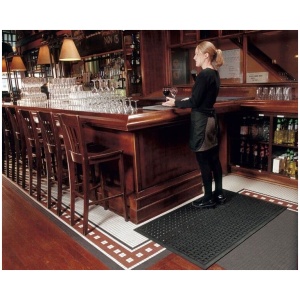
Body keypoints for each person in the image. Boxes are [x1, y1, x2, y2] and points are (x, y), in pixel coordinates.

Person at [162, 41, 226, 208]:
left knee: (203, 159)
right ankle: (219, 193)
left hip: (202, 122)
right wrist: (185, 100)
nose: (194, 57)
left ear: (206, 55)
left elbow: (195, 101)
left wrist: (175, 103)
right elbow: (201, 99)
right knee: (213, 159)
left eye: (197, 54)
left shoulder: (204, 74)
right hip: (211, 119)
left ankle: (208, 198)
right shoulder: (215, 73)